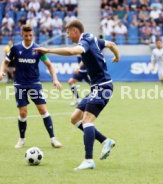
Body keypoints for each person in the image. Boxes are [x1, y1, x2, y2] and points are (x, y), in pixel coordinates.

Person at [34, 19, 120, 171]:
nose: (68, 36)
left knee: (87, 121)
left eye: (68, 33)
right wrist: (116, 56)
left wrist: (49, 50)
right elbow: (112, 44)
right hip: (97, 88)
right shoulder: (93, 38)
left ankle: (88, 160)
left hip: (103, 87)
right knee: (75, 119)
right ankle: (105, 141)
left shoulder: (85, 41)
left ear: (75, 31)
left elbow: (73, 51)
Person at [0, 25, 63, 149]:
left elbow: (49, 65)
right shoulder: (15, 48)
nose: (28, 37)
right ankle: (21, 140)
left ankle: (53, 139)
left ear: (33, 35)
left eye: (30, 35)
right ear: (22, 35)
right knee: (23, 113)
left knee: (43, 110)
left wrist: (55, 79)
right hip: (20, 84)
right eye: (26, 35)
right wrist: (1, 71)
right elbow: (5, 62)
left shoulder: (38, 49)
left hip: (34, 84)